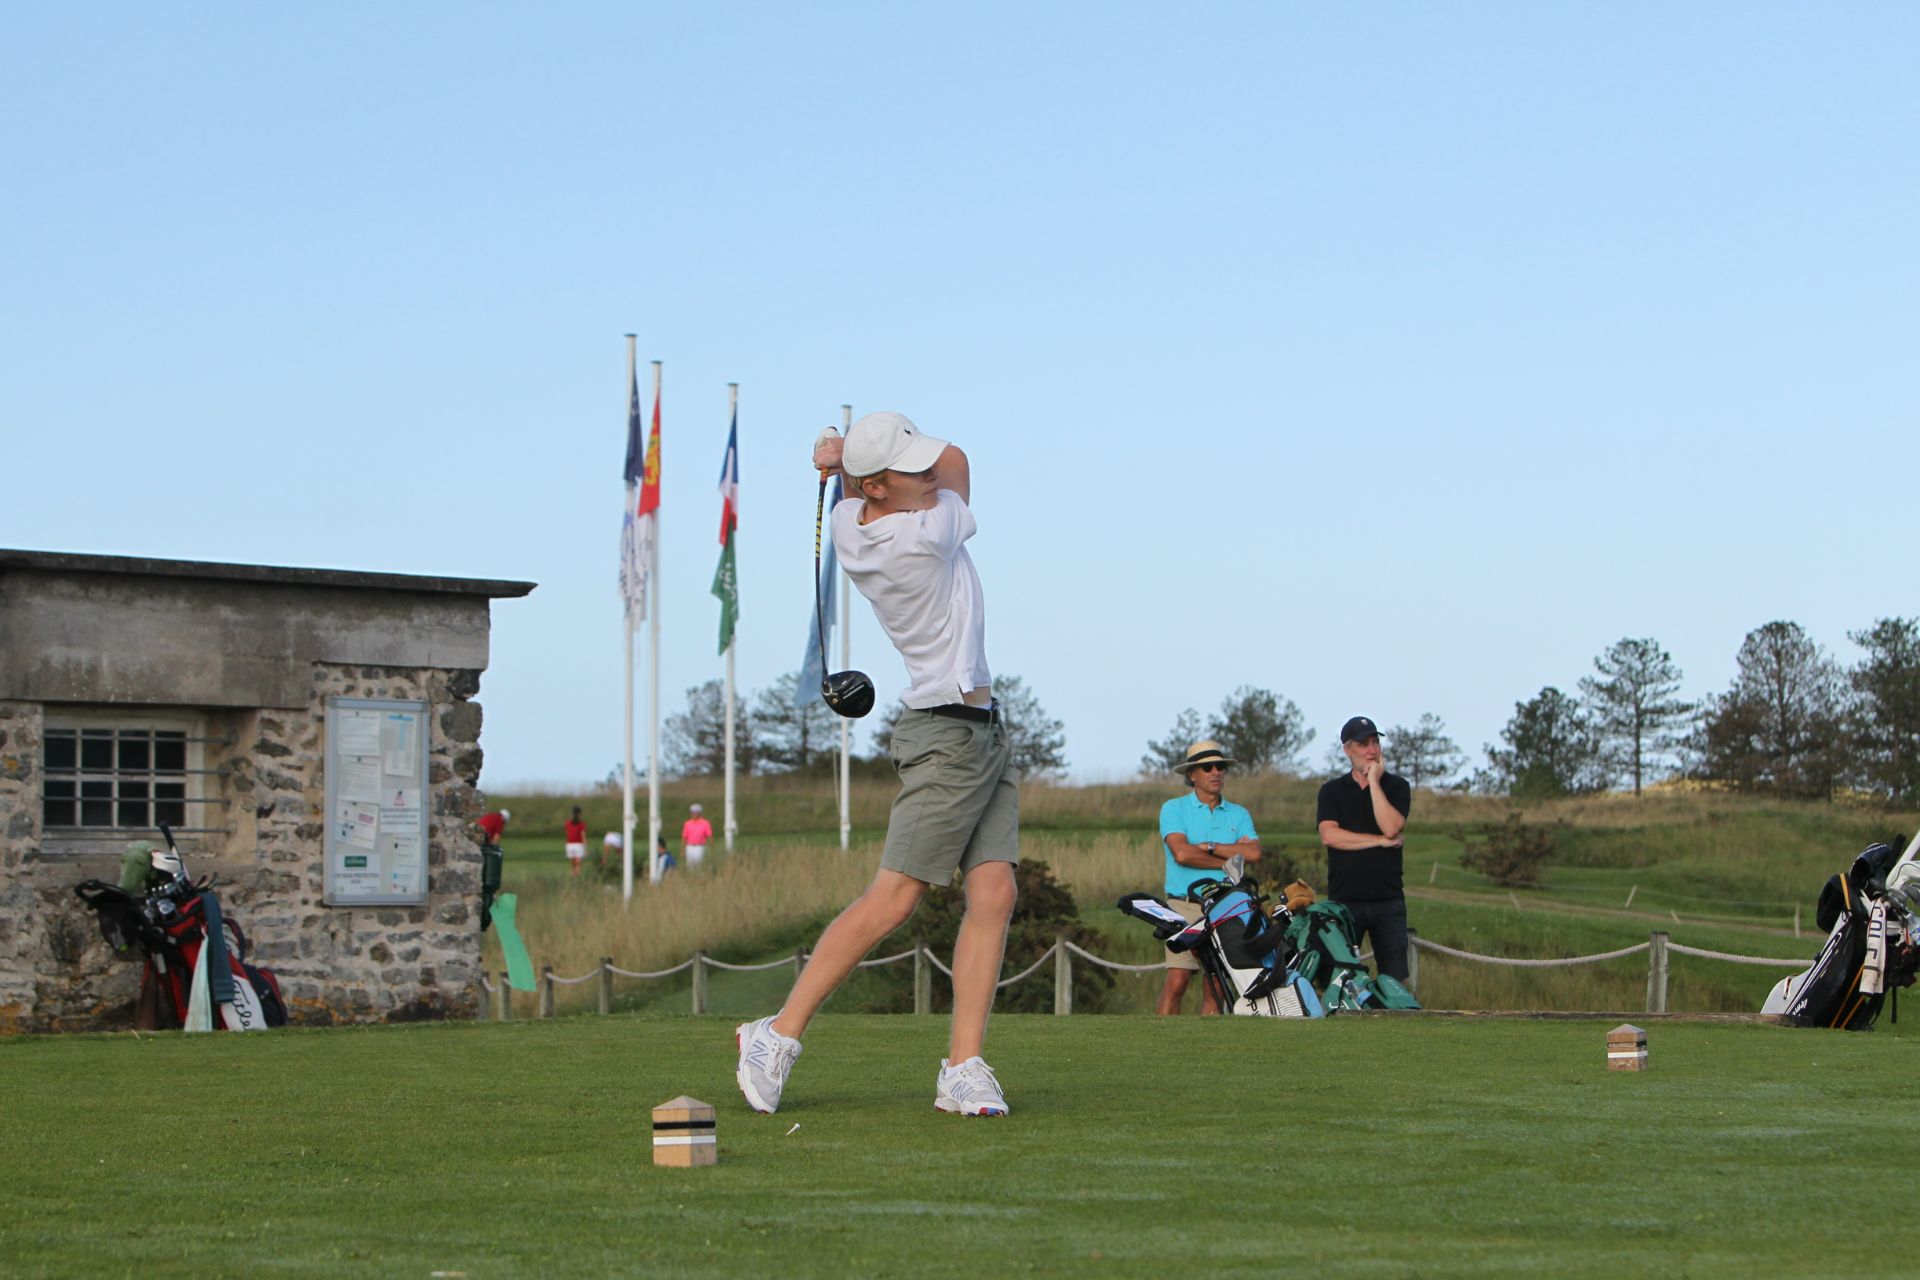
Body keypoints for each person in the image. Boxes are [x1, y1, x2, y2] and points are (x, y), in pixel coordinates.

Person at [736, 411, 1018, 1118]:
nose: (930, 475)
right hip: (945, 739)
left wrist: (846, 466)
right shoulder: (925, 532)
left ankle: (963, 1068)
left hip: (981, 731)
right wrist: (846, 460)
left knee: (994, 894)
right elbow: (958, 460)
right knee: (892, 899)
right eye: (912, 469)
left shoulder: (849, 524)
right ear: (880, 488)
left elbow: (861, 496)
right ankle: (776, 1034)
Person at [1156, 740, 1263, 1015]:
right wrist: (1230, 857)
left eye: (1220, 767)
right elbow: (1182, 853)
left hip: (1225, 906)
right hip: (1184, 905)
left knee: (1216, 983)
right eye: (1207, 767)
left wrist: (1209, 847)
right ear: (1192, 774)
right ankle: (1161, 1035)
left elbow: (1254, 853)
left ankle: (1205, 1038)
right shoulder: (1174, 808)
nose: (1216, 772)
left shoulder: (1239, 813)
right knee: (1178, 979)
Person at [1316, 716, 1412, 982]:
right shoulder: (1331, 791)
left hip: (1388, 901)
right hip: (1345, 900)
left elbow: (1390, 827)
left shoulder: (1397, 787)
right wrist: (1378, 841)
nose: (1371, 750)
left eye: (1375, 743)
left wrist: (1375, 783)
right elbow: (1330, 836)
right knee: (1340, 978)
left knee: (1394, 980)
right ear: (1348, 749)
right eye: (1363, 744)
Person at [682, 804, 713, 868]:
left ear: (699, 813)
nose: (694, 814)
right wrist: (683, 850)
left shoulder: (705, 823)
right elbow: (684, 837)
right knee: (690, 866)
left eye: (695, 813)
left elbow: (710, 836)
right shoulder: (687, 823)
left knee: (699, 865)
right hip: (689, 847)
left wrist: (711, 849)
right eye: (692, 812)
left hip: (699, 847)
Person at [564, 806, 588, 876]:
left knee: (572, 865)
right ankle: (577, 879)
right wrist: (586, 848)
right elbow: (583, 837)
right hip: (579, 845)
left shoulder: (567, 823)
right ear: (580, 814)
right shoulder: (582, 824)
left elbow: (568, 834)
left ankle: (572, 878)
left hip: (569, 845)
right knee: (578, 864)